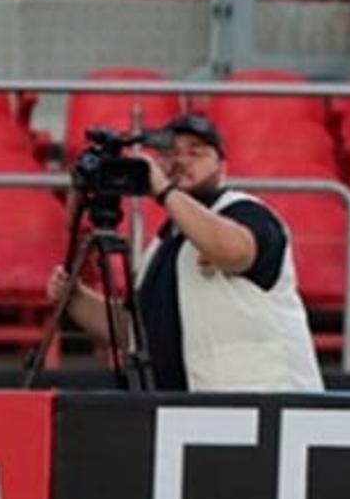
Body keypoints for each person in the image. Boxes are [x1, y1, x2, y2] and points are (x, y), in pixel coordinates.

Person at [47, 112, 323, 392]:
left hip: (266, 406)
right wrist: (76, 298)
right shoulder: (163, 244)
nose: (181, 160)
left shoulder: (247, 211)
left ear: (222, 165)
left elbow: (233, 251)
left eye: (196, 153)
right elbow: (135, 332)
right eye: (169, 154)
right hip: (190, 411)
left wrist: (164, 191)